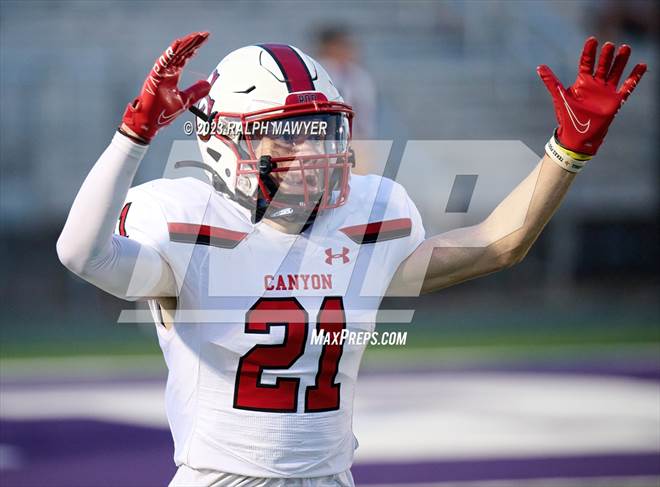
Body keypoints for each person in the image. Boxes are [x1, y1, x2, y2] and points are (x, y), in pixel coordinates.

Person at [56, 32, 646, 486]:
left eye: (321, 131)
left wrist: (566, 153)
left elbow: (501, 243)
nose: (313, 151)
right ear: (224, 141)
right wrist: (131, 137)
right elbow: (81, 253)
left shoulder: (366, 213)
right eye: (287, 134)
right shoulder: (185, 219)